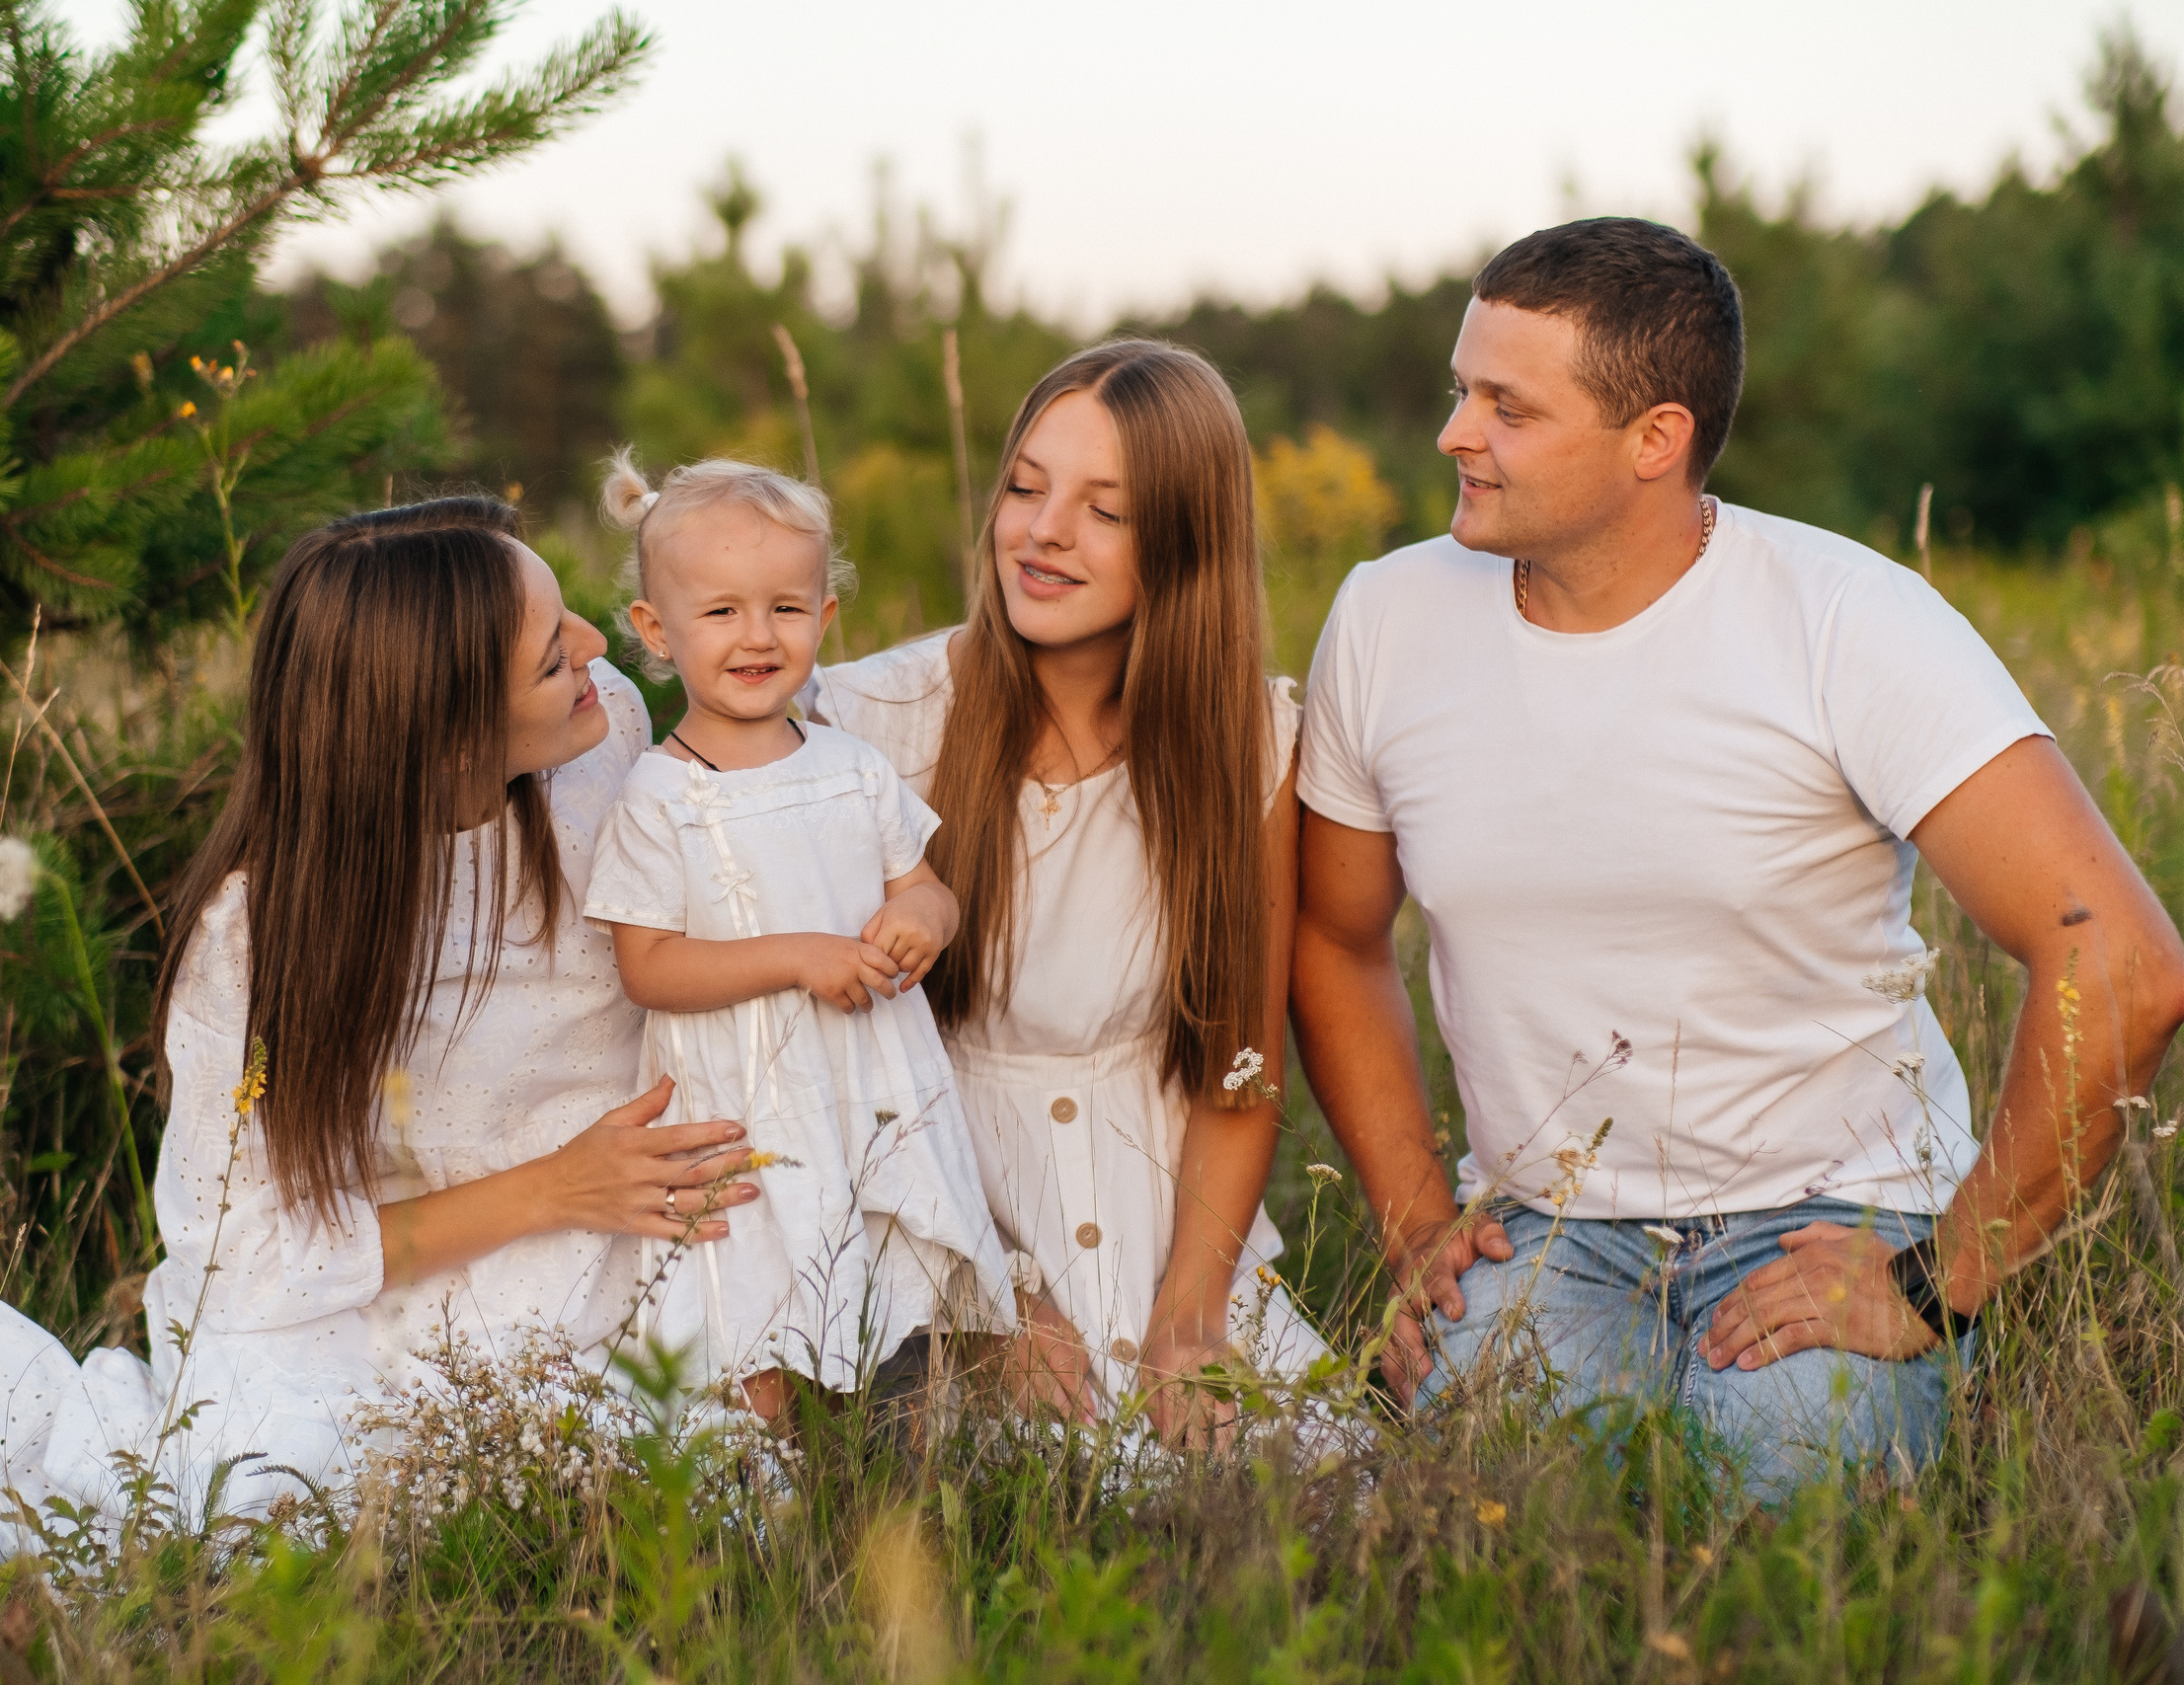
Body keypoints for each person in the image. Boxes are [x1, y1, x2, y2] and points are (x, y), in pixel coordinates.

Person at [1289, 216, 2184, 1499]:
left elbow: (2123, 960)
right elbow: (1334, 932)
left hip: (1831, 1215)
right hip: (1543, 1222)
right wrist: (1414, 1216)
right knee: (1494, 1524)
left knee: (1774, 1537)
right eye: (1458, 389)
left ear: (1655, 438)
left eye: (1507, 406)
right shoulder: (1386, 616)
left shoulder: (1847, 620)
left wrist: (1939, 1278)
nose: (1453, 434)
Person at [0, 498, 761, 1557]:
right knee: (281, 1508)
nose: (601, 653)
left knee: (707, 1482)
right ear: (450, 727)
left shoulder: (608, 745)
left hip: (633, 1248)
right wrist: (554, 1186)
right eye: (555, 655)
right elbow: (246, 1257)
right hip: (396, 1296)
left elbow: (805, 718)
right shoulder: (261, 934)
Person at [803, 340, 1329, 1438]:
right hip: (936, 1249)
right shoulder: (862, 727)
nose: (1041, 533)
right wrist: (996, 1303)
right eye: (1026, 489)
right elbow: (830, 1080)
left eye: (1105, 510)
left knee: (1316, 1521)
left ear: (1182, 543)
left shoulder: (1250, 738)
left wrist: (1188, 1316)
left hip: (1175, 1235)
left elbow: (1242, 1069)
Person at [583, 454, 1014, 1418]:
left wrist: (919, 920)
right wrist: (800, 955)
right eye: (722, 611)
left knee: (888, 1284)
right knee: (758, 1299)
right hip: (749, 1097)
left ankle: (897, 1481)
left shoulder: (853, 768)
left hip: (867, 1085)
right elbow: (647, 966)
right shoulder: (659, 796)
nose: (756, 635)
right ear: (656, 631)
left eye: (784, 607)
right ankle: (774, 1494)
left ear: (821, 619)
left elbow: (929, 888)